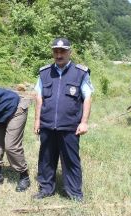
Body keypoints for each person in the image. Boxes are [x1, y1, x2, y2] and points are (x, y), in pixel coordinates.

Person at [33, 38, 94, 201]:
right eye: (56, 51)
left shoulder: (80, 73)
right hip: (47, 124)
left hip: (70, 126)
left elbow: (87, 97)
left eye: (62, 51)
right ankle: (46, 189)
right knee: (46, 158)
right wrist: (37, 120)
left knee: (71, 161)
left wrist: (84, 122)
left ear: (69, 52)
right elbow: (39, 98)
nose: (59, 54)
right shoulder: (44, 72)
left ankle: (74, 193)